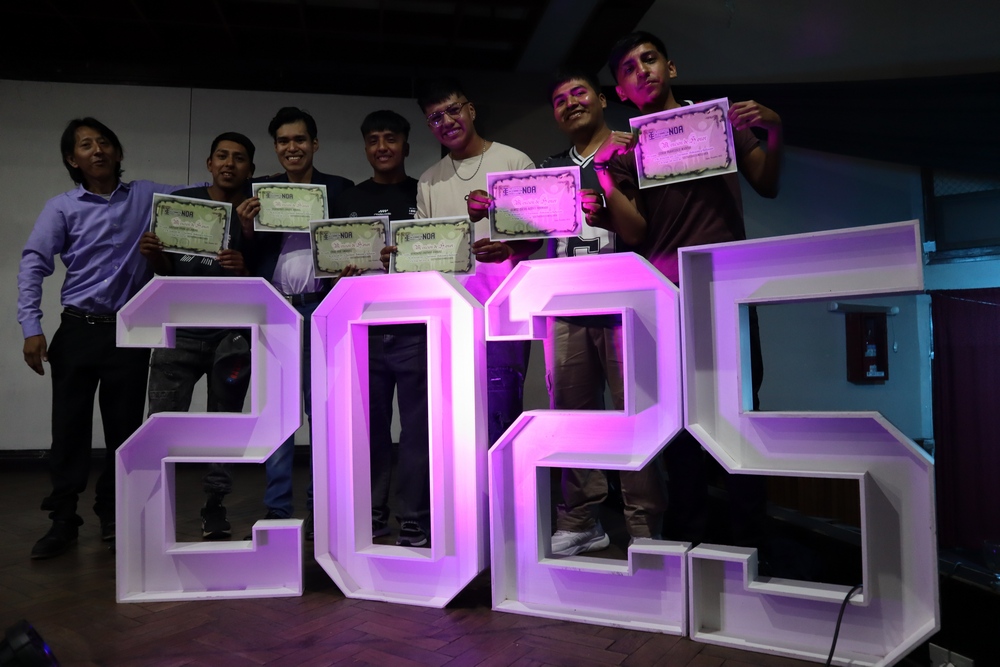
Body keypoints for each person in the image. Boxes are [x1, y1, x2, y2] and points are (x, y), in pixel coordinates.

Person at [595, 31, 782, 546]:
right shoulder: (628, 151)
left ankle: (752, 540)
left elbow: (767, 182)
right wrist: (607, 177)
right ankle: (688, 540)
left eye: (649, 59)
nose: (642, 71)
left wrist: (773, 127)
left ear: (670, 67)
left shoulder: (714, 121)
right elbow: (635, 234)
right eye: (629, 68)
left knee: (740, 410)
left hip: (727, 286)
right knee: (677, 418)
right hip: (665, 295)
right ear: (622, 90)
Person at [18, 118, 183, 559]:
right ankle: (63, 519)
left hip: (128, 330)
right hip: (76, 329)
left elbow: (204, 198)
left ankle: (113, 514)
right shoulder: (61, 207)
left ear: (118, 152)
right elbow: (33, 263)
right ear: (72, 159)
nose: (98, 150)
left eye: (105, 142)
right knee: (68, 429)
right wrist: (31, 327)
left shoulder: (147, 196)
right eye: (86, 145)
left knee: (123, 432)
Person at [538, 70, 668, 556]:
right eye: (560, 99)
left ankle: (644, 526)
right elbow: (532, 236)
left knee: (636, 414)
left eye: (579, 93)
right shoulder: (550, 169)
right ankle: (581, 520)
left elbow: (647, 226)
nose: (571, 103)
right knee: (572, 416)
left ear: (600, 99)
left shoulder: (630, 150)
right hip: (566, 304)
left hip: (625, 303)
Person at [402, 77, 538, 458]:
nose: (446, 121)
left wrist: (508, 247)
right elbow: (424, 252)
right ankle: (465, 492)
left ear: (471, 110)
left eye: (453, 110)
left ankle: (503, 490)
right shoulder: (429, 181)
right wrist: (402, 255)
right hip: (449, 316)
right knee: (453, 416)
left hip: (503, 309)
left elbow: (537, 237)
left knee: (502, 407)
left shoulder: (514, 162)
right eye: (435, 118)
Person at [238, 107, 354, 531]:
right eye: (284, 141)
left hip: (322, 309)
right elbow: (243, 257)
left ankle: (321, 505)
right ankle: (278, 508)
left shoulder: (338, 190)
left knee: (322, 411)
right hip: (276, 310)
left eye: (300, 139)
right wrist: (247, 229)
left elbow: (352, 241)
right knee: (278, 413)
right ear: (275, 148)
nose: (292, 147)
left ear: (314, 144)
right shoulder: (260, 193)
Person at [139, 132, 256, 540]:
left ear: (250, 169)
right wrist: (154, 254)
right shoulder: (182, 202)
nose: (229, 164)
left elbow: (262, 275)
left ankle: (215, 506)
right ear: (209, 163)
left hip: (231, 336)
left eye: (238, 158)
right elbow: (164, 270)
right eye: (222, 156)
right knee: (161, 425)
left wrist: (243, 266)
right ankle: (152, 509)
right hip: (178, 333)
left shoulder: (254, 211)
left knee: (224, 426)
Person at [332, 110, 429, 546]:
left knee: (417, 432)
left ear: (406, 145)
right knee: (368, 430)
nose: (382, 146)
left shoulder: (423, 193)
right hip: (363, 329)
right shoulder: (348, 200)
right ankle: (370, 516)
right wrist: (343, 269)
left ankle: (415, 517)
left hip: (414, 327)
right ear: (365, 147)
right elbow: (332, 262)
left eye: (390, 138)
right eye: (373, 140)